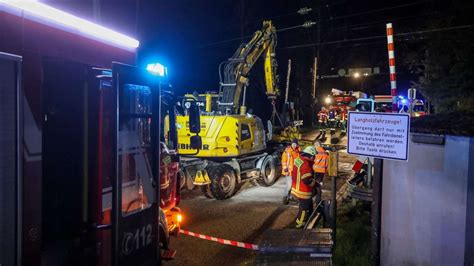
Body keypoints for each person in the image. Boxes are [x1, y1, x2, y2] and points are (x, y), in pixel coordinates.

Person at [291, 146, 318, 228]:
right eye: (314, 156)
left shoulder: (298, 159)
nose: (314, 158)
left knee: (308, 205)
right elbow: (306, 179)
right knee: (304, 209)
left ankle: (309, 218)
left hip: (296, 188)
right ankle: (299, 225)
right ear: (311, 155)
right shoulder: (306, 164)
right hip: (303, 192)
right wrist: (314, 184)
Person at [281, 138, 300, 204]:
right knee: (289, 185)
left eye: (296, 144)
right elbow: (284, 161)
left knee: (293, 186)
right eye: (293, 144)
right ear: (291, 144)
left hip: (295, 172)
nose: (294, 145)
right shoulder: (287, 151)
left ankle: (291, 197)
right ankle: (285, 198)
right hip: (289, 172)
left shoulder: (297, 151)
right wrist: (285, 168)